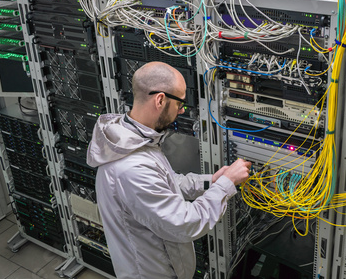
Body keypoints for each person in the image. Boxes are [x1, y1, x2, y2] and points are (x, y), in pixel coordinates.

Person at [87, 61, 251, 279]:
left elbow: (168, 182)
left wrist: (210, 181)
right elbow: (185, 223)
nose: (182, 111)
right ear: (160, 99)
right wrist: (225, 185)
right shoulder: (131, 168)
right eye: (180, 104)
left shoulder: (132, 136)